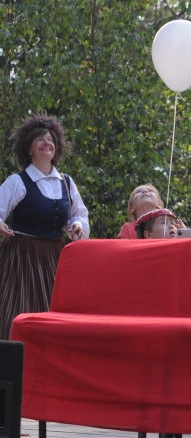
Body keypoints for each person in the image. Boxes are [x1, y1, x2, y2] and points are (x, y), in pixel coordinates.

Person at [0, 114, 89, 340]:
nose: (46, 143)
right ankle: (15, 369)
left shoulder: (66, 182)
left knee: (54, 312)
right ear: (29, 148)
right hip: (22, 259)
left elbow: (79, 215)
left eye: (50, 139)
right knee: (20, 310)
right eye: (39, 139)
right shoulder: (17, 182)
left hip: (55, 257)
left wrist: (76, 226)